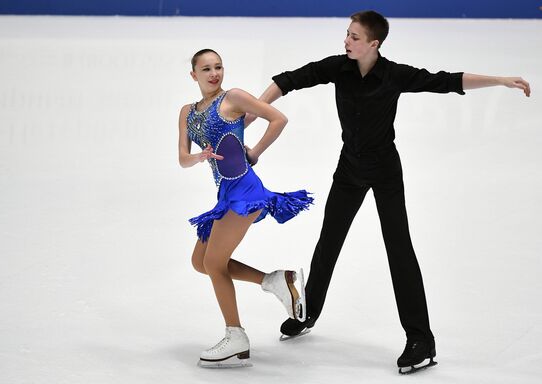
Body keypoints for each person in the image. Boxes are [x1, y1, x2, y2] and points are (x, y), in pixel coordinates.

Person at [249, 10, 531, 374]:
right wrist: (254, 112)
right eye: (347, 34)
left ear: (373, 44)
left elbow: (447, 80)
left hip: (384, 171)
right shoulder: (339, 67)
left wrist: (500, 80)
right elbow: (288, 80)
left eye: (354, 36)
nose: (346, 41)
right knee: (329, 239)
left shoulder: (394, 74)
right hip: (349, 168)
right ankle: (309, 313)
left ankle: (421, 341)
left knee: (399, 249)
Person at [178, 49, 313, 368]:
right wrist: (198, 157)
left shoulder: (233, 97)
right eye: (206, 69)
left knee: (213, 261)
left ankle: (235, 337)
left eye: (219, 67)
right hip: (225, 195)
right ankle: (277, 281)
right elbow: (182, 157)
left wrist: (256, 152)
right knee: (201, 262)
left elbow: (278, 119)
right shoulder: (187, 112)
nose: (214, 73)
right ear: (194, 74)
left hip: (245, 191)